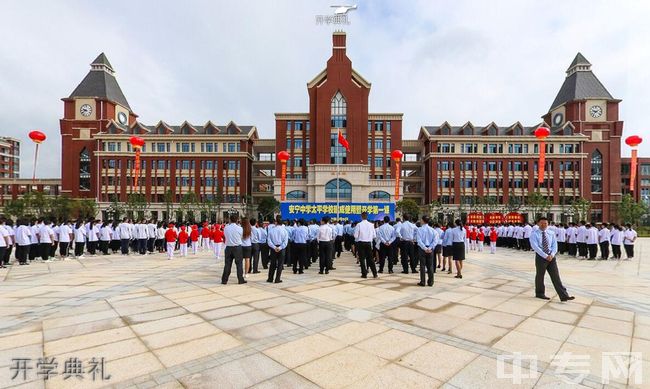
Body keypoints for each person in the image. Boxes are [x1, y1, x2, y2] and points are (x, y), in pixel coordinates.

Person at [530, 217, 575, 302]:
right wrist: (545, 255)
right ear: (538, 224)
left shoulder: (551, 233)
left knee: (556, 276)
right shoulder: (534, 234)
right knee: (540, 275)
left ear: (548, 224)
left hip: (551, 257)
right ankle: (540, 293)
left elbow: (555, 245)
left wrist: (552, 254)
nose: (544, 225)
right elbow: (535, 247)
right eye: (542, 223)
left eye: (545, 223)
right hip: (541, 257)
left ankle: (564, 295)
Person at [222, 214, 246, 285]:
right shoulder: (240, 228)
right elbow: (241, 237)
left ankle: (224, 280)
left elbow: (225, 236)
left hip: (228, 247)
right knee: (239, 264)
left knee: (227, 264)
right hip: (237, 247)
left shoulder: (226, 228)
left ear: (230, 219)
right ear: (237, 220)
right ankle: (240, 279)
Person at [354, 212, 377, 279]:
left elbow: (355, 235)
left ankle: (364, 274)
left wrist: (359, 238)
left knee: (362, 259)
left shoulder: (359, 225)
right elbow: (374, 236)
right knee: (371, 259)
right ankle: (375, 274)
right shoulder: (371, 225)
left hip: (361, 243)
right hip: (368, 243)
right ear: (367, 216)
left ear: (361, 216)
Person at [417, 218, 438, 287]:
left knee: (422, 266)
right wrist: (430, 248)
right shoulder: (433, 230)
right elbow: (435, 241)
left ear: (423, 221)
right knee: (430, 266)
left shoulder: (419, 229)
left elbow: (419, 240)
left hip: (422, 249)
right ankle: (431, 282)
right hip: (430, 249)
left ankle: (423, 282)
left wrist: (425, 248)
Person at [267, 215, 289, 283]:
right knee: (280, 264)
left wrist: (274, 247)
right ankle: (277, 279)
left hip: (273, 248)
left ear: (276, 222)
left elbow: (268, 240)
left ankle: (270, 278)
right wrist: (280, 247)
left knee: (272, 264)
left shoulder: (271, 230)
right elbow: (285, 242)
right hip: (281, 248)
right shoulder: (285, 231)